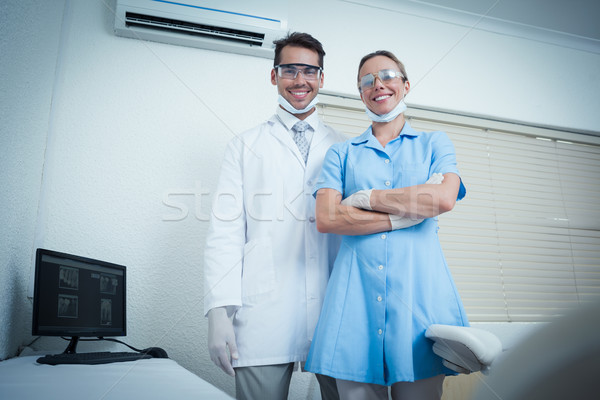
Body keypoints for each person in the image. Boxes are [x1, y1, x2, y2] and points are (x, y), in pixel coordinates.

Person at [305, 50, 469, 400]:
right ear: (361, 93)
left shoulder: (434, 143)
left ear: (405, 85)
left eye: (388, 75)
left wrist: (365, 198)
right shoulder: (341, 153)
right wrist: (408, 212)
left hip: (419, 296)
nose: (377, 84)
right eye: (367, 81)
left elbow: (443, 199)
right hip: (354, 303)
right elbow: (327, 217)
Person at [203, 32, 346, 400]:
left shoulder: (345, 147)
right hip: (265, 310)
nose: (300, 80)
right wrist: (219, 311)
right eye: (290, 70)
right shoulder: (244, 146)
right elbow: (225, 232)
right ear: (274, 76)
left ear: (321, 78)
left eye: (310, 71)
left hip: (336, 307)